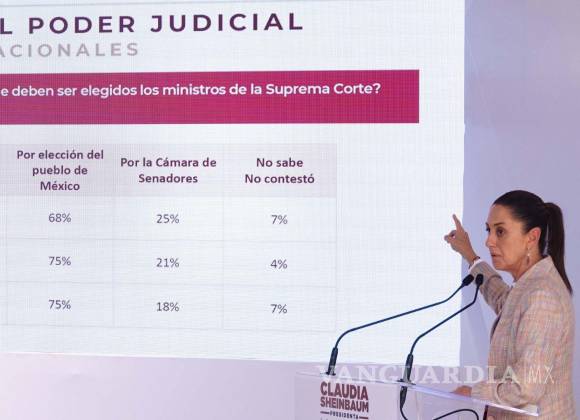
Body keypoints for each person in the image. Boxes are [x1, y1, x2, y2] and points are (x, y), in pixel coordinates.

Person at [444, 190, 576, 419]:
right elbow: (502, 299)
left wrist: (473, 393)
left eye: (500, 231)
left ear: (532, 237)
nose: (489, 241)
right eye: (488, 230)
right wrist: (470, 255)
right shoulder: (532, 285)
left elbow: (526, 387)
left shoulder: (542, 296)